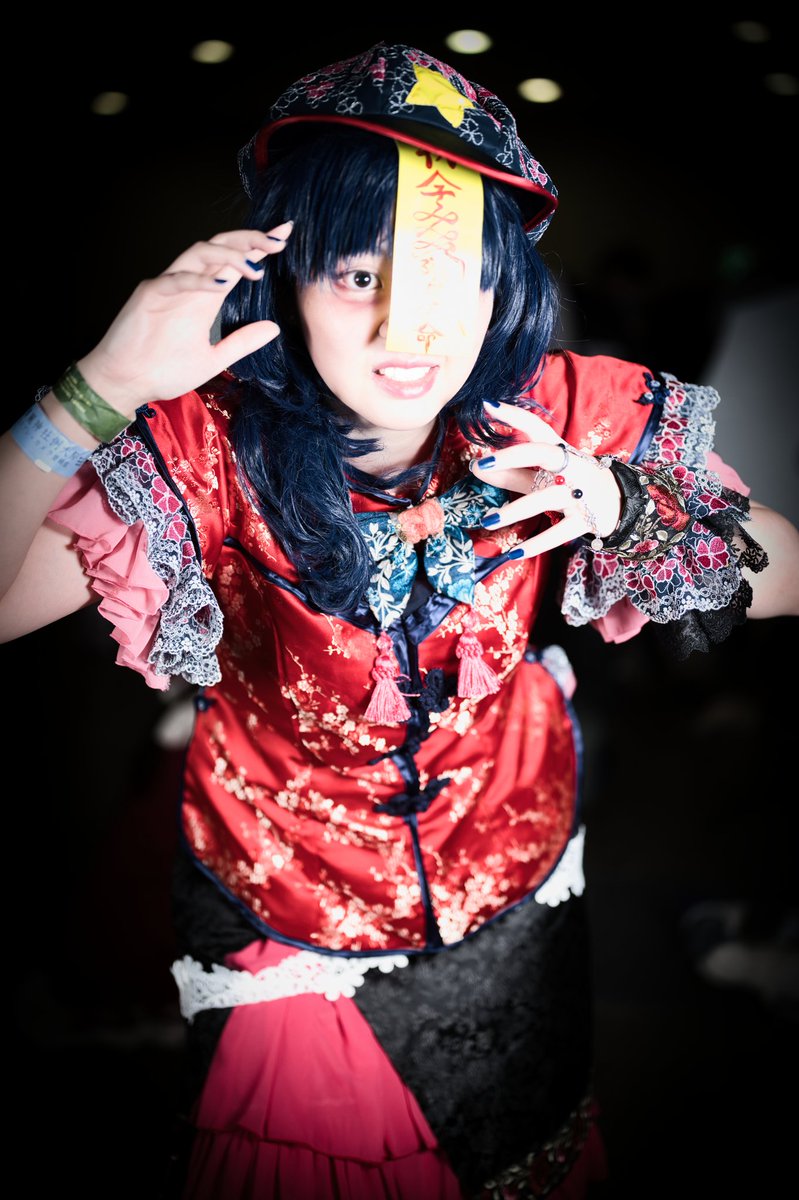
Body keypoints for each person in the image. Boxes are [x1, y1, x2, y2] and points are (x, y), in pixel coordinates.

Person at [2, 41, 798, 1200]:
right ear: (288, 277)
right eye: (359, 274)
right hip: (286, 914)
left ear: (501, 285)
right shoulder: (205, 443)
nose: (405, 333)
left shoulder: (563, 409)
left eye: (448, 278)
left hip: (514, 884)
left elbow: (786, 568)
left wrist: (622, 504)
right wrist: (101, 388)